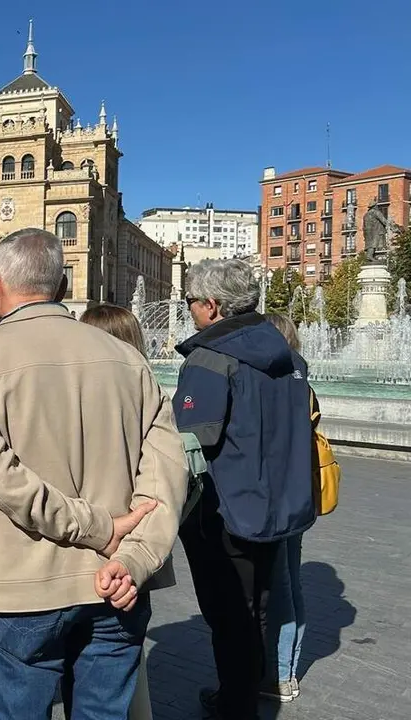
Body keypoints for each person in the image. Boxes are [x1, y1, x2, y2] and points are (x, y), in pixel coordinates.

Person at [0, 228, 187, 719]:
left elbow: (4, 479)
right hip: (116, 581)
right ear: (61, 286)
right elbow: (166, 471)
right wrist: (137, 558)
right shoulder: (129, 361)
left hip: (20, 589)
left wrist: (93, 527)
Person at [175, 259, 315, 720]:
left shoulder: (210, 357)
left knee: (227, 612)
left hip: (225, 508)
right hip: (278, 504)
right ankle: (243, 692)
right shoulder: (288, 356)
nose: (188, 310)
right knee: (258, 607)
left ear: (212, 306)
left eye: (190, 302)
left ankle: (235, 704)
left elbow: (193, 435)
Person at [80, 302, 179, 720]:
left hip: (83, 549)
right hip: (135, 552)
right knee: (122, 669)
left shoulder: (76, 398)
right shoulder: (151, 396)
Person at [262, 312, 312, 704]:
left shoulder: (275, 383)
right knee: (291, 582)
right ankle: (286, 671)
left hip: (276, 499)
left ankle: (277, 675)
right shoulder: (302, 381)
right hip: (300, 496)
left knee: (278, 587)